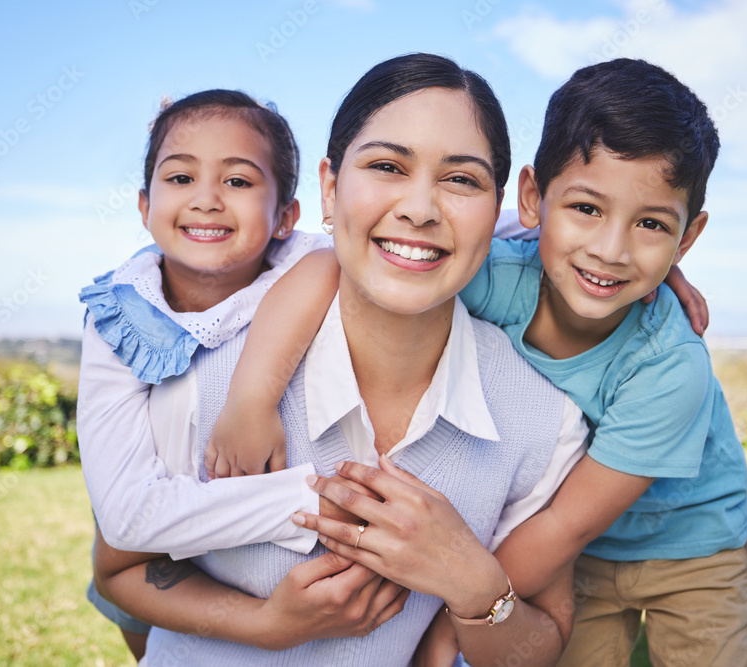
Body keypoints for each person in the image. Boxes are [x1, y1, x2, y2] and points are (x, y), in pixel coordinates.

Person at [213, 59, 747, 666]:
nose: (610, 249)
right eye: (587, 209)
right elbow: (337, 263)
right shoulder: (492, 274)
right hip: (579, 556)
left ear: (688, 237)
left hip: (691, 546)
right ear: (531, 199)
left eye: (651, 224)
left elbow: (564, 527)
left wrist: (450, 621)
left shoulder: (671, 367)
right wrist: (251, 399)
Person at [92, 53, 587, 665]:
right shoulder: (199, 371)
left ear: (500, 207)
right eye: (386, 166)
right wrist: (265, 625)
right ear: (329, 188)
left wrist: (471, 580)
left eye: (461, 180)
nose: (420, 209)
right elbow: (119, 572)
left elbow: (542, 646)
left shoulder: (545, 419)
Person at [76, 88, 359, 660]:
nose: (206, 199)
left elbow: (336, 257)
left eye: (237, 181)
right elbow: (128, 521)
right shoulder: (120, 313)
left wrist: (251, 402)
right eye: (179, 178)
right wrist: (302, 504)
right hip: (150, 554)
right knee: (153, 638)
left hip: (228, 554)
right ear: (143, 205)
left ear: (285, 216)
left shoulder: (309, 271)